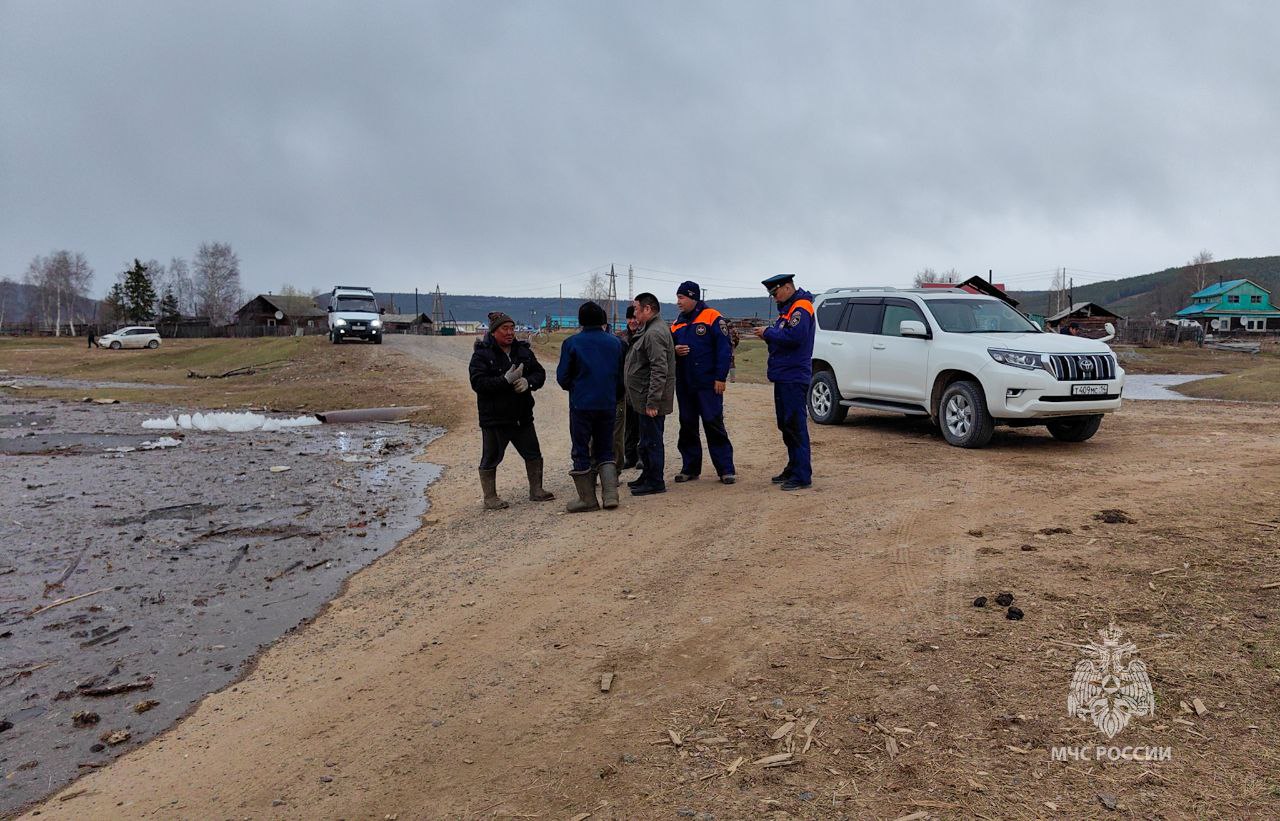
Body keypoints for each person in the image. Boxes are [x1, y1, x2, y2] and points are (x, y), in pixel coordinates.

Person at [469, 311, 555, 510]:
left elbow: (539, 373)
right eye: (504, 329)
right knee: (491, 457)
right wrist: (504, 381)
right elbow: (478, 383)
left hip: (521, 416)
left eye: (512, 328)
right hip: (495, 418)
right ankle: (490, 497)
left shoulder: (522, 351)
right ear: (494, 331)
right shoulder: (482, 354)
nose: (510, 333)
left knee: (533, 453)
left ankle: (536, 490)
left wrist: (528, 382)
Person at [557, 301, 624, 513]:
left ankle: (587, 500)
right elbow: (621, 377)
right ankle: (610, 495)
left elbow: (562, 378)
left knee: (580, 449)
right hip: (607, 403)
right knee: (605, 449)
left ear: (581, 321)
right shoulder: (616, 343)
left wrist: (576, 388)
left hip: (582, 404)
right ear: (603, 320)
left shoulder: (571, 343)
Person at [752, 273, 815, 490]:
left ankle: (801, 474)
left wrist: (769, 332)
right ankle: (794, 466)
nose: (774, 298)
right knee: (785, 424)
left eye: (776, 293)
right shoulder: (787, 311)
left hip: (794, 375)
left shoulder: (801, 308)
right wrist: (769, 336)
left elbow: (795, 337)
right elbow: (783, 339)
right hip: (784, 375)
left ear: (787, 287)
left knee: (795, 424)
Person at [670, 281, 736, 484]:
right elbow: (668, 347)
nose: (678, 302)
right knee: (687, 425)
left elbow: (724, 349)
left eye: (681, 298)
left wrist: (720, 377)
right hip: (685, 384)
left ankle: (725, 469)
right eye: (677, 298)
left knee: (713, 424)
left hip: (708, 383)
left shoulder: (713, 317)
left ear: (692, 297)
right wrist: (675, 350)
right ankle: (690, 468)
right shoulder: (677, 322)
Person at [624, 292, 675, 496]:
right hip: (642, 397)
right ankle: (647, 475)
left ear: (648, 309)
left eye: (637, 308)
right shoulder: (649, 329)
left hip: (649, 399)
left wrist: (653, 402)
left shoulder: (655, 333)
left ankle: (655, 481)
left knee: (652, 441)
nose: (634, 313)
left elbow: (659, 369)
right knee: (645, 441)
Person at [613, 305, 641, 470]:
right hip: (624, 387)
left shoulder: (645, 335)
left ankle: (642, 456)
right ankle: (630, 456)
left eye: (634, 317)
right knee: (627, 425)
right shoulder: (619, 338)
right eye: (629, 318)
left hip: (640, 387)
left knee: (642, 424)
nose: (632, 321)